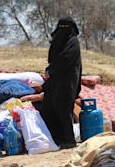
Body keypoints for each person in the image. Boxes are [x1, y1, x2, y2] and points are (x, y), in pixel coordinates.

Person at [40, 16, 82, 149]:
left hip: (67, 82)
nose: (63, 30)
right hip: (55, 81)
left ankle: (69, 141)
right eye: (61, 27)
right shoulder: (57, 42)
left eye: (66, 27)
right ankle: (57, 138)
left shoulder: (73, 41)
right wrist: (49, 70)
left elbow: (65, 58)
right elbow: (53, 60)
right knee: (48, 108)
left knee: (64, 109)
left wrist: (51, 70)